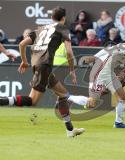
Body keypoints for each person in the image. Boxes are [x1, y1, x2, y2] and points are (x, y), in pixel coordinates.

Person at [0, 7, 85, 138]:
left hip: (39, 65)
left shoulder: (40, 29)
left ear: (51, 17)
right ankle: (2, 101)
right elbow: (69, 52)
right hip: (44, 66)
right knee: (32, 101)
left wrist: (24, 61)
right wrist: (72, 70)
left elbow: (22, 44)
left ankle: (70, 130)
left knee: (63, 95)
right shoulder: (63, 29)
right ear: (63, 18)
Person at [68, 34, 125, 128]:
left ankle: (118, 122)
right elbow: (106, 50)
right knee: (91, 103)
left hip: (110, 74)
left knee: (122, 96)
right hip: (101, 73)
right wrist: (94, 57)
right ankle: (68, 97)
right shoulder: (123, 46)